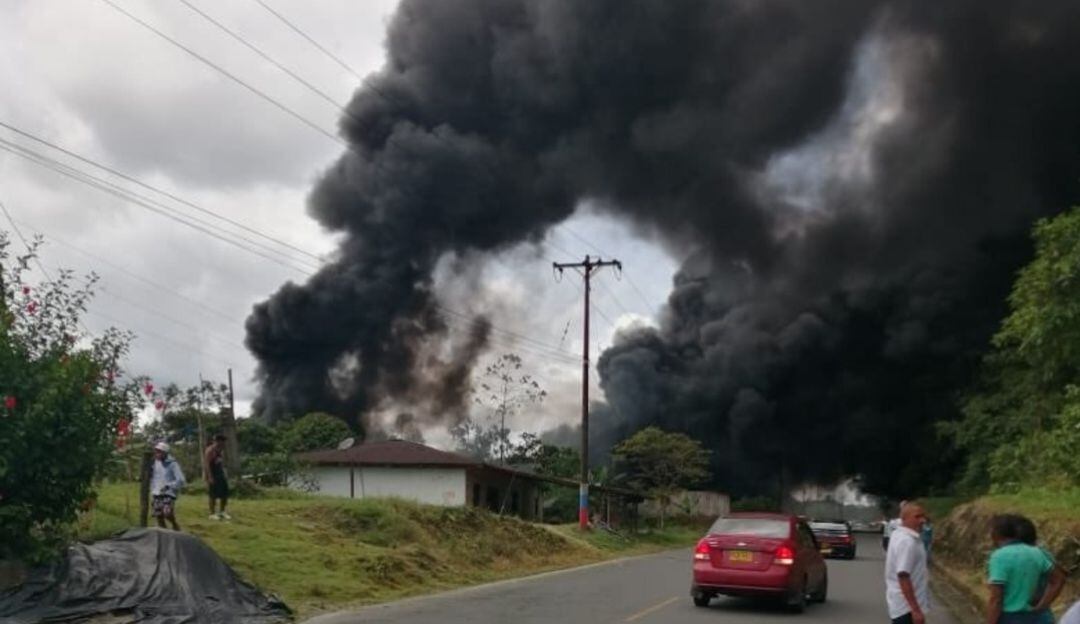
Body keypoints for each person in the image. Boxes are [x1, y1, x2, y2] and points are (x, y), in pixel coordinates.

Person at [985, 514, 1055, 624]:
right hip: (1040, 617)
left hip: (1011, 618)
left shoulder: (999, 556)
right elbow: (1059, 579)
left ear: (997, 534)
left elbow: (996, 599)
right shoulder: (1038, 552)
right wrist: (1043, 605)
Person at [1012, 515, 1066, 624]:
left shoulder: (1034, 555)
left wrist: (1041, 607)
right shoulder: (1041, 554)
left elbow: (1058, 578)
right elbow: (1059, 578)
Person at [885, 500, 930, 624]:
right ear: (904, 518)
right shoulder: (907, 542)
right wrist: (915, 610)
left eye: (923, 516)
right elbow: (903, 576)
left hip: (901, 605)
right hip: (907, 609)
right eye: (917, 517)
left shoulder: (898, 535)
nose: (923, 520)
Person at [150, 441, 185, 531]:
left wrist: (169, 485)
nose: (157, 453)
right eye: (156, 451)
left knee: (167, 512)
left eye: (159, 452)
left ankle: (175, 525)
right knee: (158, 515)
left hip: (168, 492)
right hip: (156, 492)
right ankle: (164, 533)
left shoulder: (172, 464)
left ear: (165, 453)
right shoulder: (155, 463)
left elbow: (180, 480)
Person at [204, 433, 231, 521]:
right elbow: (207, 465)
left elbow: (221, 463)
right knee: (213, 495)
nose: (223, 443)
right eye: (222, 441)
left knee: (225, 493)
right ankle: (212, 513)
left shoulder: (220, 450)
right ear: (218, 441)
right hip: (212, 474)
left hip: (220, 474)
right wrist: (210, 477)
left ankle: (222, 512)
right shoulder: (210, 450)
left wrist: (224, 473)